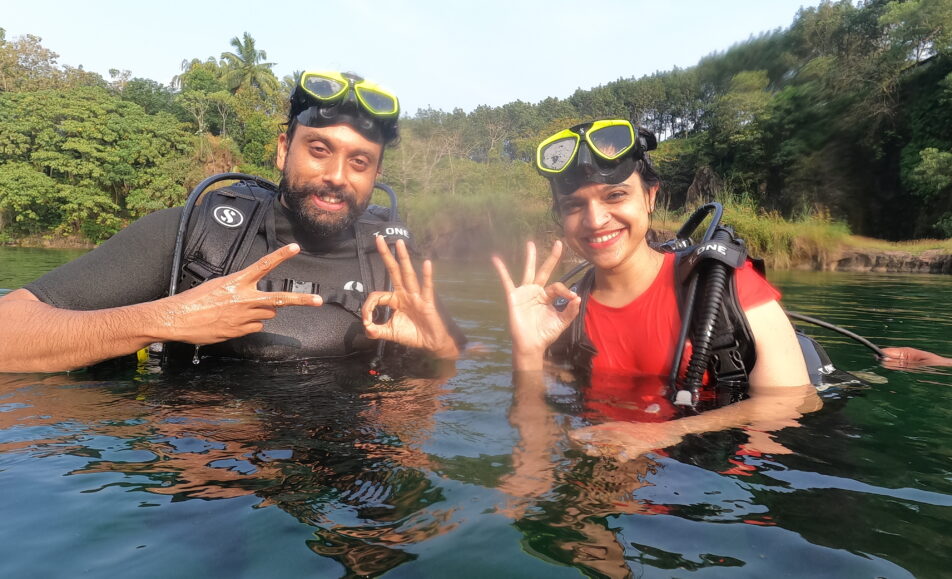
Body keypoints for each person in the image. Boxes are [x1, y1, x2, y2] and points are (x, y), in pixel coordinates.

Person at [0, 71, 463, 373]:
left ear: (375, 175)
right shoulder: (199, 236)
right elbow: (9, 328)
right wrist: (166, 319)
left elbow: (455, 369)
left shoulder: (393, 263)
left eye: (359, 162)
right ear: (284, 149)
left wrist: (441, 354)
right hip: (213, 474)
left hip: (346, 468)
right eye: (318, 150)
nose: (336, 177)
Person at [492, 119, 820, 459]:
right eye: (574, 206)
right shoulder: (564, 315)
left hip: (715, 492)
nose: (594, 220)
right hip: (610, 485)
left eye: (615, 195)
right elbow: (534, 432)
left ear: (650, 197)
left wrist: (665, 432)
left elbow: (797, 402)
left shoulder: (723, 286)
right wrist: (528, 351)